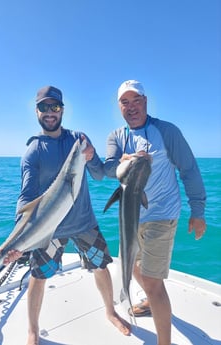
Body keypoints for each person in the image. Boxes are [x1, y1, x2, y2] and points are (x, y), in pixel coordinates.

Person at [2, 85, 131, 345]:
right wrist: (17, 239)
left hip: (84, 222)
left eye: (55, 107)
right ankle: (32, 331)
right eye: (44, 107)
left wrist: (93, 156)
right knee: (38, 277)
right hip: (50, 229)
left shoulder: (79, 140)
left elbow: (97, 174)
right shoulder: (33, 151)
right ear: (36, 111)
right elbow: (26, 198)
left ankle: (110, 311)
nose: (50, 112)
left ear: (62, 110)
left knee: (101, 267)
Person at [104, 80, 206, 345]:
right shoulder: (116, 136)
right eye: (125, 102)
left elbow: (189, 169)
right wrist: (120, 165)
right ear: (119, 107)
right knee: (131, 266)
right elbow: (109, 167)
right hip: (131, 216)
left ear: (146, 102)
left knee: (152, 280)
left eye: (136, 100)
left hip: (162, 213)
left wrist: (198, 210)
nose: (131, 107)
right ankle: (150, 300)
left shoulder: (166, 131)